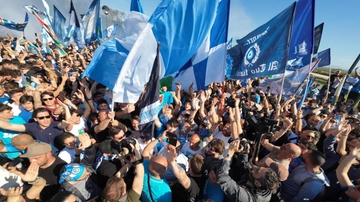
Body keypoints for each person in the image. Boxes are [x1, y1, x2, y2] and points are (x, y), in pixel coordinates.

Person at [141, 133, 172, 202]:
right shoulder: (166, 190)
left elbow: (145, 151)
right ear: (163, 171)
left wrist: (160, 138)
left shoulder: (144, 172)